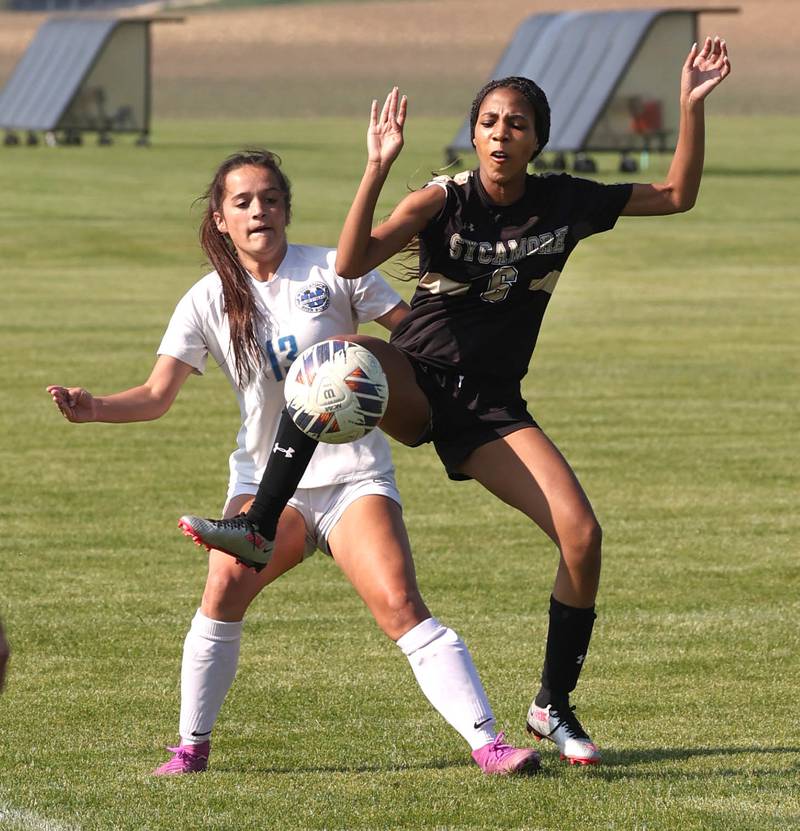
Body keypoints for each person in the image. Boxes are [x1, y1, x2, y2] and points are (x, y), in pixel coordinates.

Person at [184, 38, 731, 766]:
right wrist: (377, 167)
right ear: (473, 132)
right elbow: (350, 262)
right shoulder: (445, 197)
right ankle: (257, 525)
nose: (502, 134)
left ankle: (551, 705)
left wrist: (691, 107)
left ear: (537, 138)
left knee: (582, 536)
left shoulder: (566, 200)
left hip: (491, 411)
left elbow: (677, 195)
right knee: (332, 363)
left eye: (517, 124)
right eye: (490, 121)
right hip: (416, 380)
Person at [47, 150, 539, 777]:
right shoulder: (206, 300)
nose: (260, 211)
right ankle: (190, 749)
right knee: (224, 588)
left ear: (286, 208)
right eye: (244, 202)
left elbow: (415, 339)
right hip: (265, 486)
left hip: (353, 478)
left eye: (271, 199)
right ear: (221, 219)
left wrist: (399, 371)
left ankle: (489, 745)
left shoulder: (335, 269)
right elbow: (154, 396)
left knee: (398, 603)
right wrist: (93, 408)